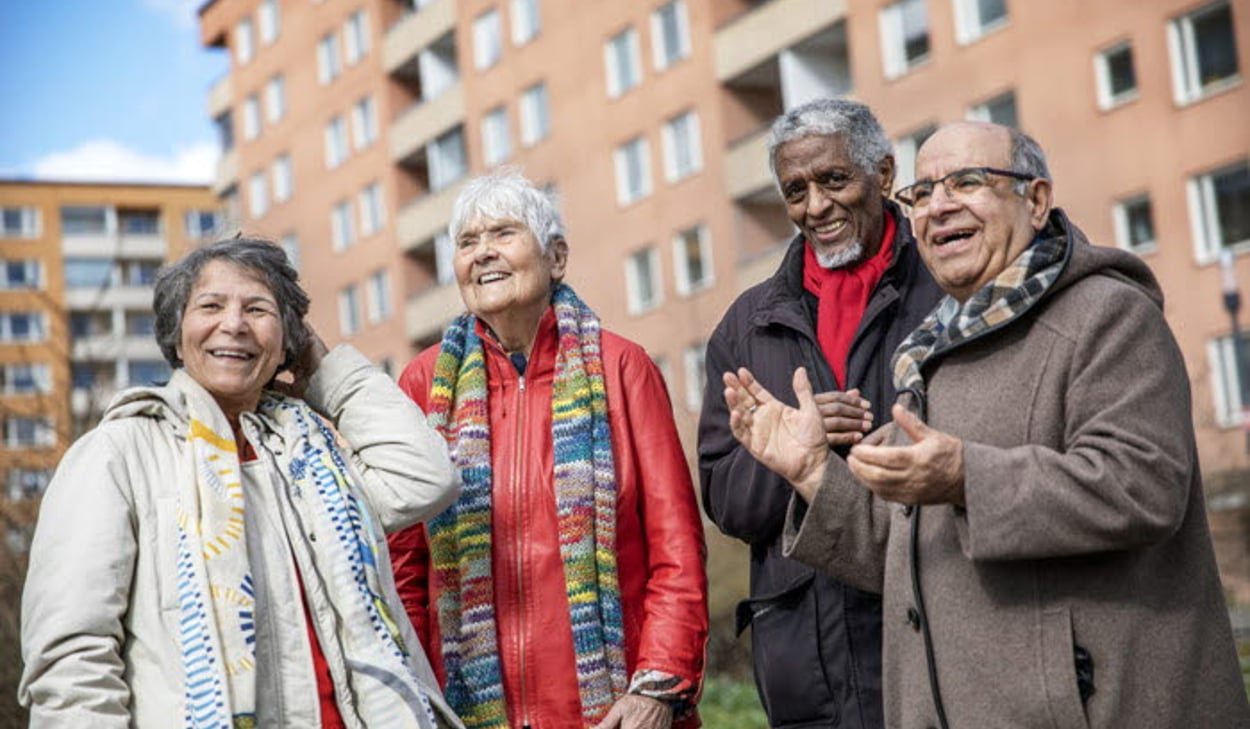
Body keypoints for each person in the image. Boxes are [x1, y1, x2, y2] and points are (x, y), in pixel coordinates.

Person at [722, 121, 1250, 728]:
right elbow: (909, 554)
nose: (938, 206)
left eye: (967, 182)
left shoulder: (1109, 315)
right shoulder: (932, 348)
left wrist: (967, 476)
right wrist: (814, 473)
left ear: (1036, 199)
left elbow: (1142, 486)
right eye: (922, 194)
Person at [20, 238, 463, 729]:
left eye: (258, 309)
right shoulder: (117, 455)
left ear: (287, 339)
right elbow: (72, 661)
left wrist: (321, 367)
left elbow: (425, 477)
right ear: (177, 329)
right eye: (210, 306)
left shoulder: (311, 456)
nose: (234, 324)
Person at [388, 170, 708, 729]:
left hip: (615, 712)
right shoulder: (421, 387)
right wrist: (410, 699)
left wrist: (658, 687)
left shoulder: (621, 368)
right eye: (467, 242)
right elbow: (404, 571)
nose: (483, 253)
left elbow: (676, 548)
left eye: (504, 234)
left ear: (555, 257)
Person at [698, 98, 941, 728]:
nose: (815, 206)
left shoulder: (947, 286)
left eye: (834, 180)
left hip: (933, 644)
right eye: (795, 190)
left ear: (884, 174)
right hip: (808, 670)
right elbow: (726, 501)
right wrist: (792, 458)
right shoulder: (745, 328)